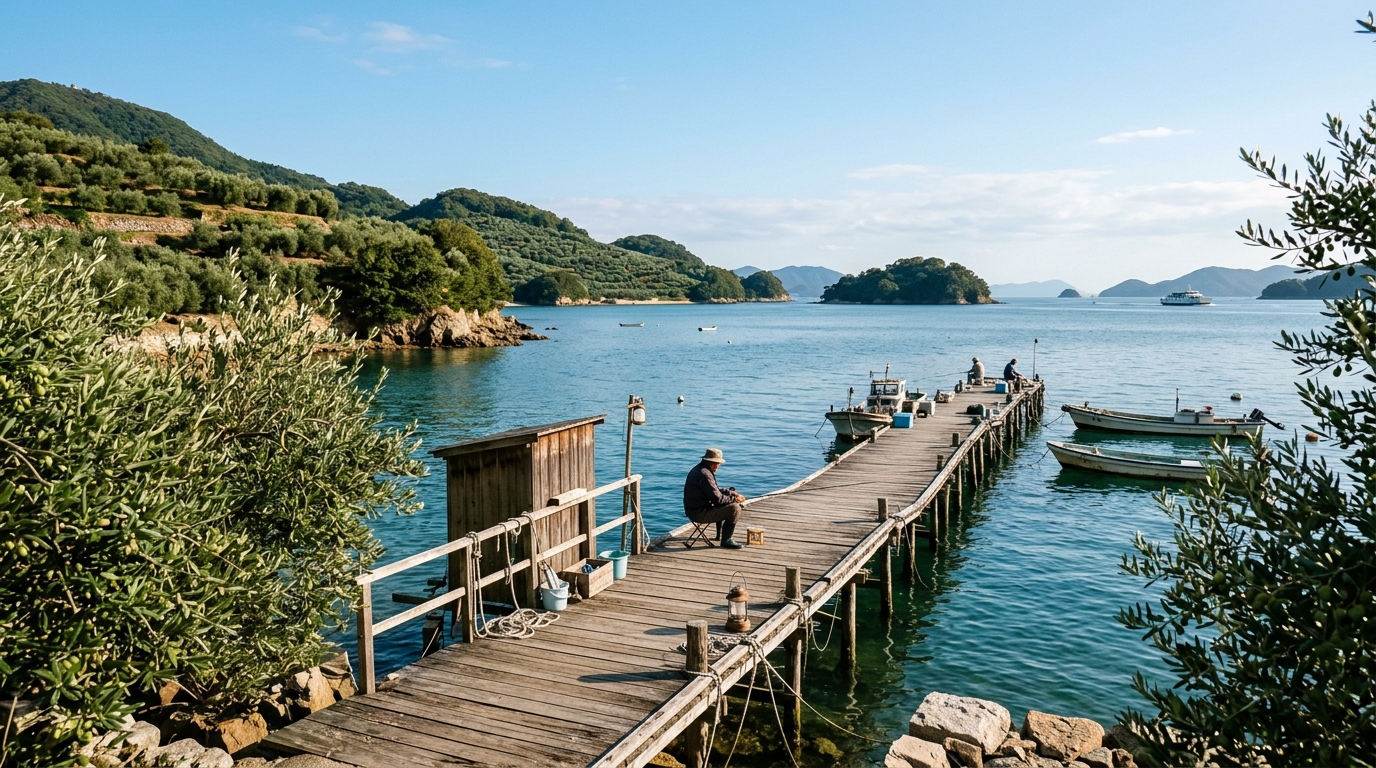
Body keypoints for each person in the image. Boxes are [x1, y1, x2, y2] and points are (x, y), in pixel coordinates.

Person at [683, 447, 745, 549]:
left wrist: (730, 493)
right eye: (718, 464)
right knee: (735, 508)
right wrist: (735, 499)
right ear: (713, 463)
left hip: (693, 510)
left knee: (727, 502)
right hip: (699, 514)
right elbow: (718, 499)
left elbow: (713, 491)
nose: (718, 466)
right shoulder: (705, 475)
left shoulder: (700, 470)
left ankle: (719, 536)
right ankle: (726, 540)